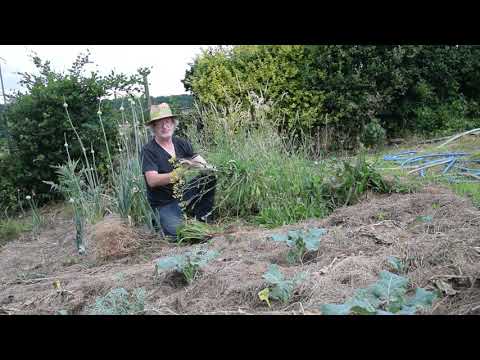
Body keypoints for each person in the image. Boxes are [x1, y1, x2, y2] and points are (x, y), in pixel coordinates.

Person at [141, 103, 216, 239]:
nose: (165, 126)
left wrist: (205, 166)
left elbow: (202, 163)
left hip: (183, 195)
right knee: (182, 234)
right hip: (164, 204)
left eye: (168, 122)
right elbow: (152, 181)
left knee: (209, 176)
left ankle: (203, 216)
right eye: (160, 124)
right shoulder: (149, 150)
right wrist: (180, 171)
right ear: (154, 127)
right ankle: (162, 222)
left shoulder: (180, 143)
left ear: (173, 123)